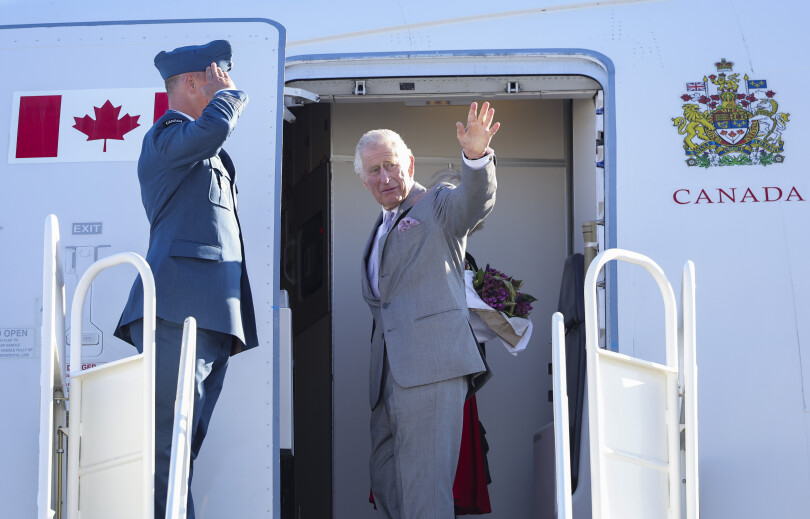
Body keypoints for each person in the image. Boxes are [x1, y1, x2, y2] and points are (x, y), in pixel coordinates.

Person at [114, 40, 258, 519]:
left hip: (212, 319)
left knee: (181, 449)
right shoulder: (168, 136)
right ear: (195, 82)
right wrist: (229, 97)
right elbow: (212, 130)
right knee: (165, 448)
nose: (225, 83)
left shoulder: (203, 151)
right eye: (217, 77)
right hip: (175, 313)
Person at [356, 102, 500, 518]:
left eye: (391, 165)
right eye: (374, 170)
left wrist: (475, 159)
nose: (384, 176)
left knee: (424, 497)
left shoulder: (437, 205)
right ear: (363, 180)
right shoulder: (380, 225)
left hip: (430, 372)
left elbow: (473, 204)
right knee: (389, 490)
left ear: (410, 164)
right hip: (387, 381)